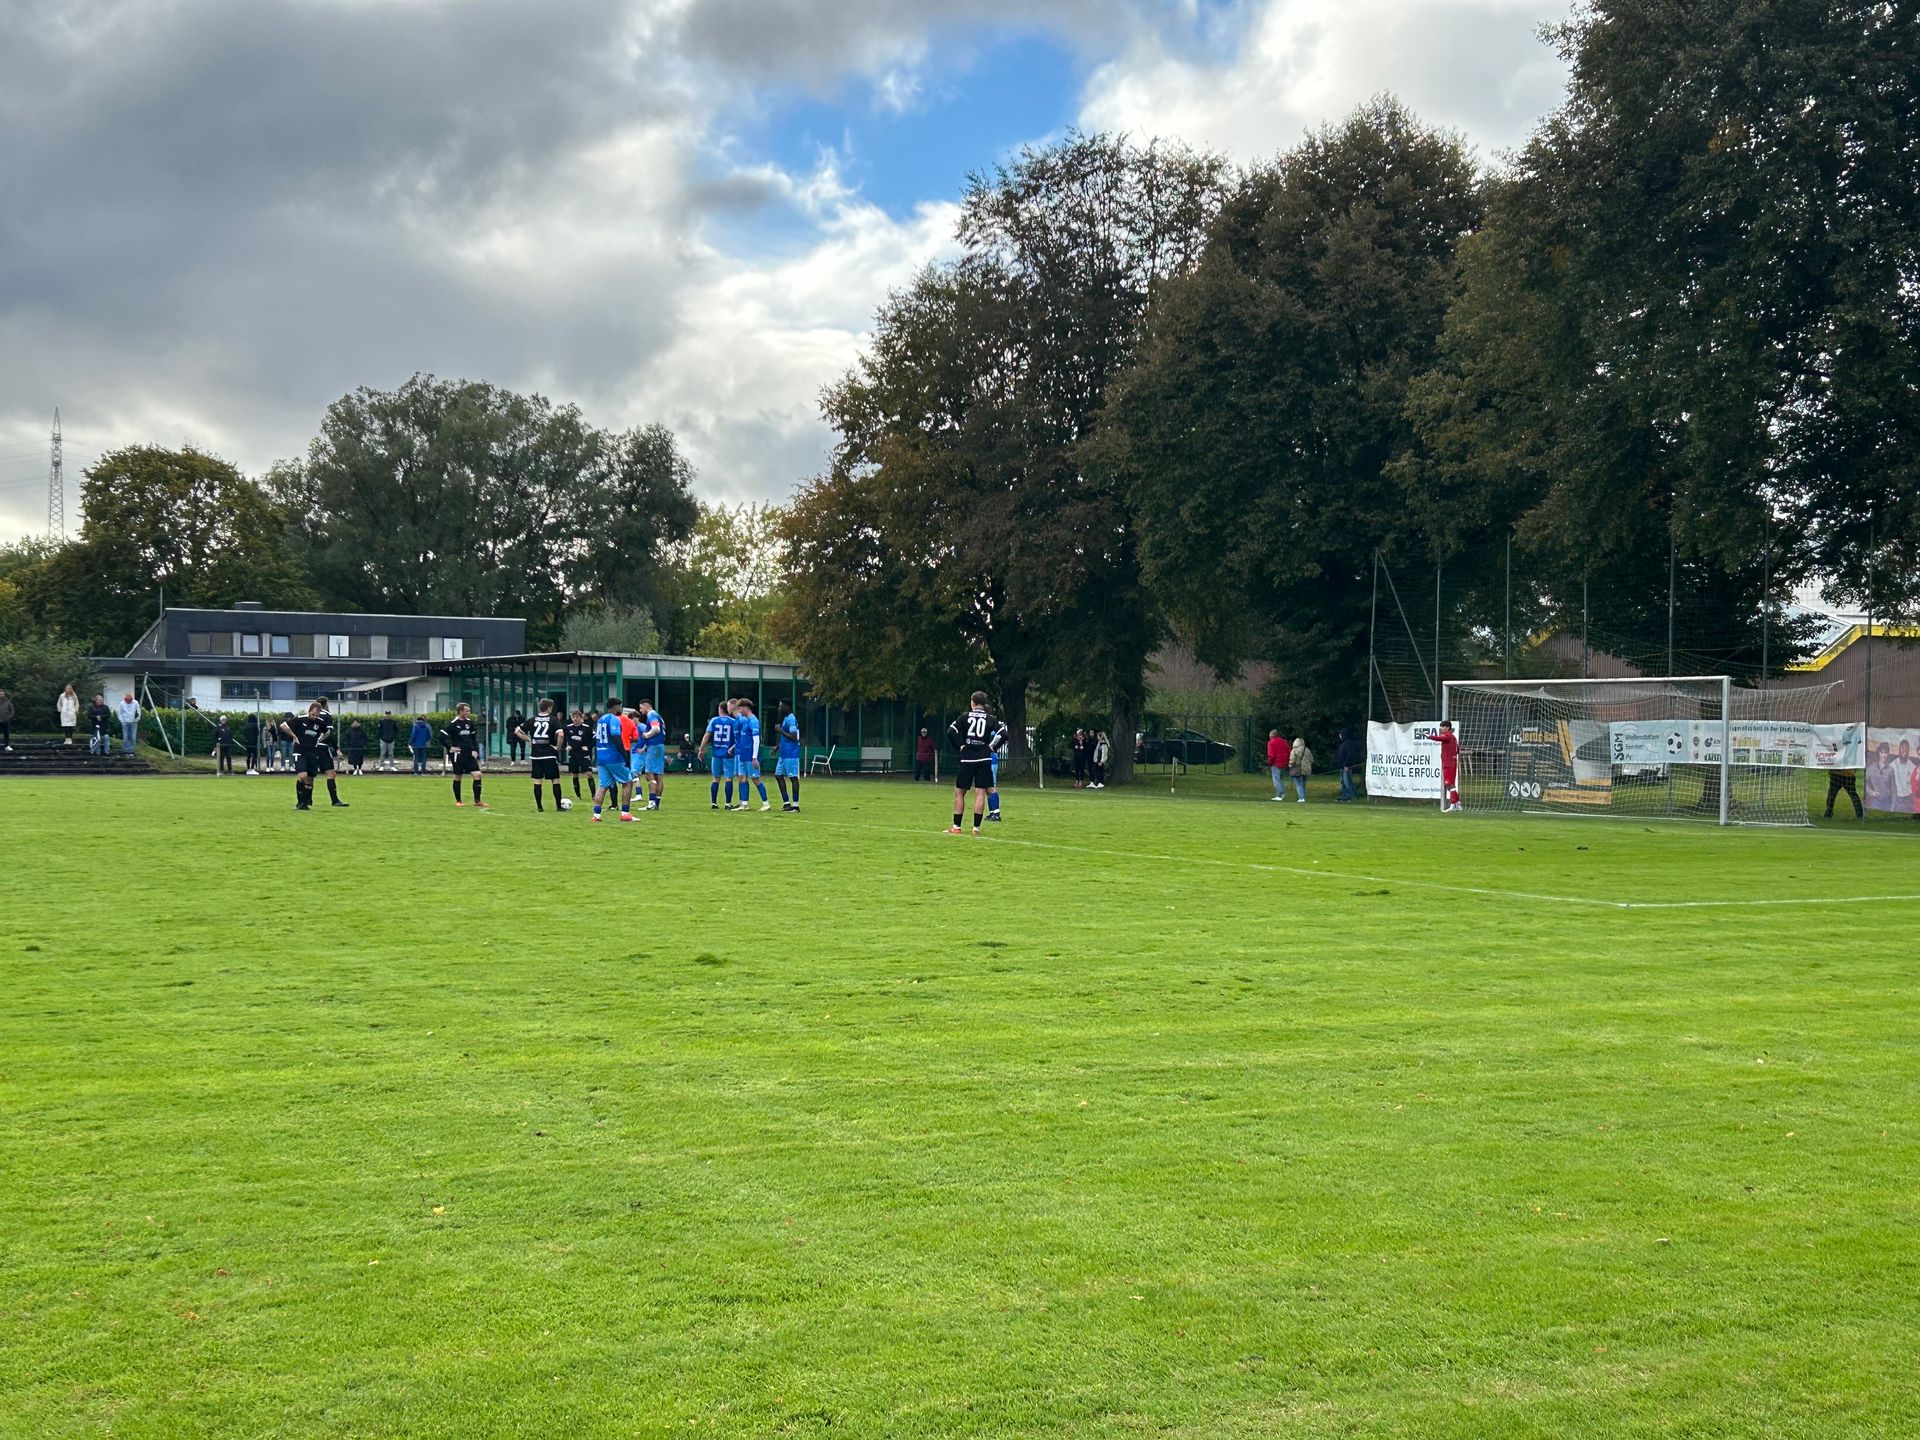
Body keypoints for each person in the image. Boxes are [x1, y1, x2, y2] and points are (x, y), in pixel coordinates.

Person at [947, 691, 1007, 836]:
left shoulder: (965, 716)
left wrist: (960, 746)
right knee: (980, 792)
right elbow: (1004, 734)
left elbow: (951, 731)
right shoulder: (990, 718)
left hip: (967, 758)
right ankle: (976, 829)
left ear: (972, 702)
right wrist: (992, 748)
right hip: (984, 758)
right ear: (984, 704)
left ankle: (956, 826)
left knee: (960, 792)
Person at [281, 701, 348, 810]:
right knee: (302, 776)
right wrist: (294, 736)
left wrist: (319, 740)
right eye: (312, 714)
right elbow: (283, 725)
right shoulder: (300, 719)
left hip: (313, 752)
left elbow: (328, 733)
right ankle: (300, 802)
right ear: (309, 711)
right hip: (300, 751)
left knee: (309, 779)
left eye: (316, 715)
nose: (314, 717)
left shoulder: (320, 722)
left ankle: (306, 802)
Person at [515, 698, 566, 813]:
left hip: (536, 755)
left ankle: (539, 807)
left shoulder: (532, 719)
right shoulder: (553, 720)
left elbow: (517, 731)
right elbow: (561, 735)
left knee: (538, 781)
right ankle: (558, 806)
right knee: (555, 780)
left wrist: (529, 740)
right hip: (549, 754)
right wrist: (558, 748)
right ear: (549, 708)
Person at [591, 695, 636, 822]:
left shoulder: (601, 720)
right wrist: (625, 755)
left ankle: (596, 815)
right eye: (619, 706)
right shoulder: (614, 719)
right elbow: (616, 738)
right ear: (616, 707)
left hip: (601, 756)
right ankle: (625, 813)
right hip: (613, 756)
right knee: (627, 782)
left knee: (603, 785)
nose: (620, 709)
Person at [441, 702, 486, 808]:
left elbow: (473, 738)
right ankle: (458, 801)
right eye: (467, 711)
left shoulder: (469, 723)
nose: (468, 712)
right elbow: (441, 736)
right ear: (460, 711)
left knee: (478, 775)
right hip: (458, 754)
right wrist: (450, 747)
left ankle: (477, 801)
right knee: (458, 776)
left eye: (469, 711)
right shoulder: (453, 723)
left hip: (469, 754)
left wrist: (474, 750)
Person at [698, 699, 737, 811]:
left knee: (715, 778)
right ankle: (728, 803)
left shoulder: (714, 721)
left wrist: (701, 749)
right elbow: (737, 738)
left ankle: (714, 802)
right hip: (728, 753)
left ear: (720, 709)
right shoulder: (733, 722)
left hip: (716, 753)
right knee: (728, 778)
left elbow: (707, 735)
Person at [733, 699, 770, 811]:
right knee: (742, 778)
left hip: (750, 756)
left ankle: (766, 803)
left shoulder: (753, 721)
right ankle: (744, 804)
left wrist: (754, 757)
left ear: (745, 708)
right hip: (743, 755)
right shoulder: (745, 720)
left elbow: (756, 740)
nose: (739, 711)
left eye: (740, 708)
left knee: (755, 779)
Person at [633, 699, 667, 810]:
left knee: (649, 774)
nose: (640, 710)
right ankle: (656, 803)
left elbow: (656, 729)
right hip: (659, 745)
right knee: (659, 776)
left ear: (646, 706)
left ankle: (652, 803)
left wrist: (647, 735)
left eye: (641, 707)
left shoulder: (651, 714)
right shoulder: (657, 715)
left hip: (654, 746)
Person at [774, 699, 804, 811]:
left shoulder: (791, 718)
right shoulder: (786, 718)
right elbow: (785, 738)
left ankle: (795, 805)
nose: (779, 708)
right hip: (784, 753)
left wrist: (780, 730)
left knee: (793, 777)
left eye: (781, 706)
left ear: (787, 707)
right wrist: (777, 747)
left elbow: (794, 737)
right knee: (778, 775)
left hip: (791, 753)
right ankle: (786, 803)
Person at [563, 709, 593, 797]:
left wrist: (588, 747)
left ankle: (593, 795)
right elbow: (561, 736)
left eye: (577, 717)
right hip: (573, 754)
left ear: (581, 718)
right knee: (575, 774)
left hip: (583, 754)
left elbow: (594, 739)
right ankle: (578, 795)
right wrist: (566, 746)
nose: (575, 719)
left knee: (589, 774)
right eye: (573, 717)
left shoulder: (586, 728)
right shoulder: (568, 728)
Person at [1435, 719, 1462, 812]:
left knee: (1449, 784)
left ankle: (1452, 805)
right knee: (1450, 784)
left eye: (1442, 726)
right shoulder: (1453, 737)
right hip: (1451, 762)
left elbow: (1439, 738)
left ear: (1447, 727)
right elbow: (1458, 749)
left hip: (1448, 763)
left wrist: (1428, 736)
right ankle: (1458, 804)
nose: (1441, 728)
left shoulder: (1448, 735)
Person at [1335, 729, 1361, 802]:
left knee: (1347, 782)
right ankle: (1344, 796)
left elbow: (1350, 755)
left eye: (1340, 734)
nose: (1339, 736)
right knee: (1343, 782)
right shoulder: (1344, 743)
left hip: (1346, 766)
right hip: (1342, 766)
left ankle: (1352, 795)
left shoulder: (1349, 743)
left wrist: (1347, 764)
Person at [1265, 730, 1291, 801]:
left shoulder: (1271, 743)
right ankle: (1282, 793)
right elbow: (1289, 751)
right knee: (1280, 779)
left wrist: (1269, 762)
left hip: (1276, 763)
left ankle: (1279, 795)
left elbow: (1271, 755)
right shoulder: (1284, 742)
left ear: (1271, 736)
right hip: (1284, 763)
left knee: (1276, 779)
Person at [1289, 735, 1313, 802]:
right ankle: (1303, 797)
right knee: (1303, 784)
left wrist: (1290, 765)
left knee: (1298, 783)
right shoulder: (1307, 750)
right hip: (1306, 769)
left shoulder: (1294, 750)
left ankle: (1301, 798)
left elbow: (1292, 760)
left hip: (1298, 769)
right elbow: (1311, 759)